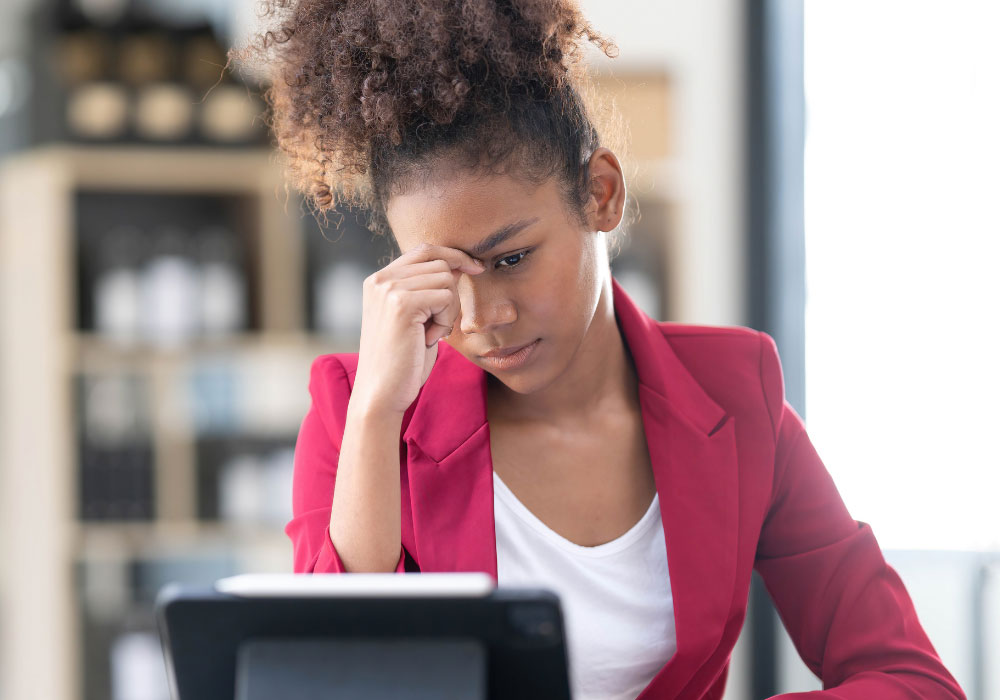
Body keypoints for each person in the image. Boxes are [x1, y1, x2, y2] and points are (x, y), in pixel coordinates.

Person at [231, 1, 965, 698]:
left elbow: (913, 682)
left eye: (512, 258)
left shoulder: (740, 394)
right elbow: (331, 680)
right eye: (444, 278)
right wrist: (374, 420)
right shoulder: (356, 414)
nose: (485, 317)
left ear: (602, 194)